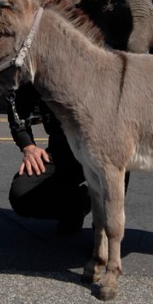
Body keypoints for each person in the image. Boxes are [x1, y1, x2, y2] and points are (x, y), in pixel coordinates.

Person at [7, 84, 91, 236]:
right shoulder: (43, 68)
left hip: (105, 153)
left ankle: (104, 226)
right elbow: (17, 109)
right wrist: (28, 145)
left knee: (104, 244)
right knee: (22, 194)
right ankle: (78, 205)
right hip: (63, 150)